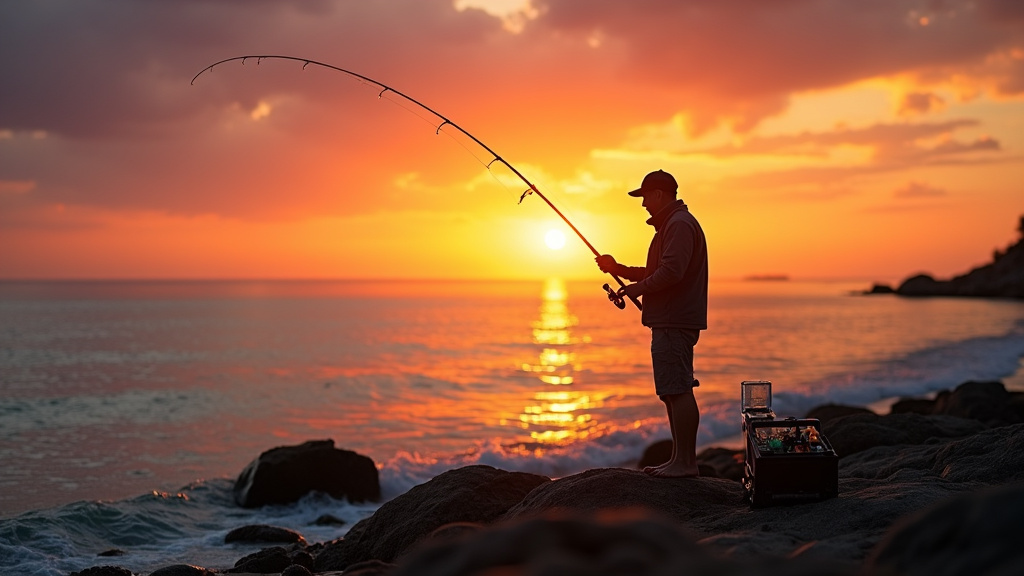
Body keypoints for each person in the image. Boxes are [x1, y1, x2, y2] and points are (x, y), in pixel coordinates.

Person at [596, 169, 708, 478]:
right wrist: (617, 269)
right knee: (672, 390)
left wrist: (635, 289)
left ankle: (686, 463)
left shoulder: (679, 225)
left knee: (680, 389)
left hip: (674, 319)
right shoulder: (673, 226)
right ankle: (679, 459)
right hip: (671, 318)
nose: (643, 204)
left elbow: (671, 272)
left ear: (658, 194)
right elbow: (656, 270)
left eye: (645, 197)